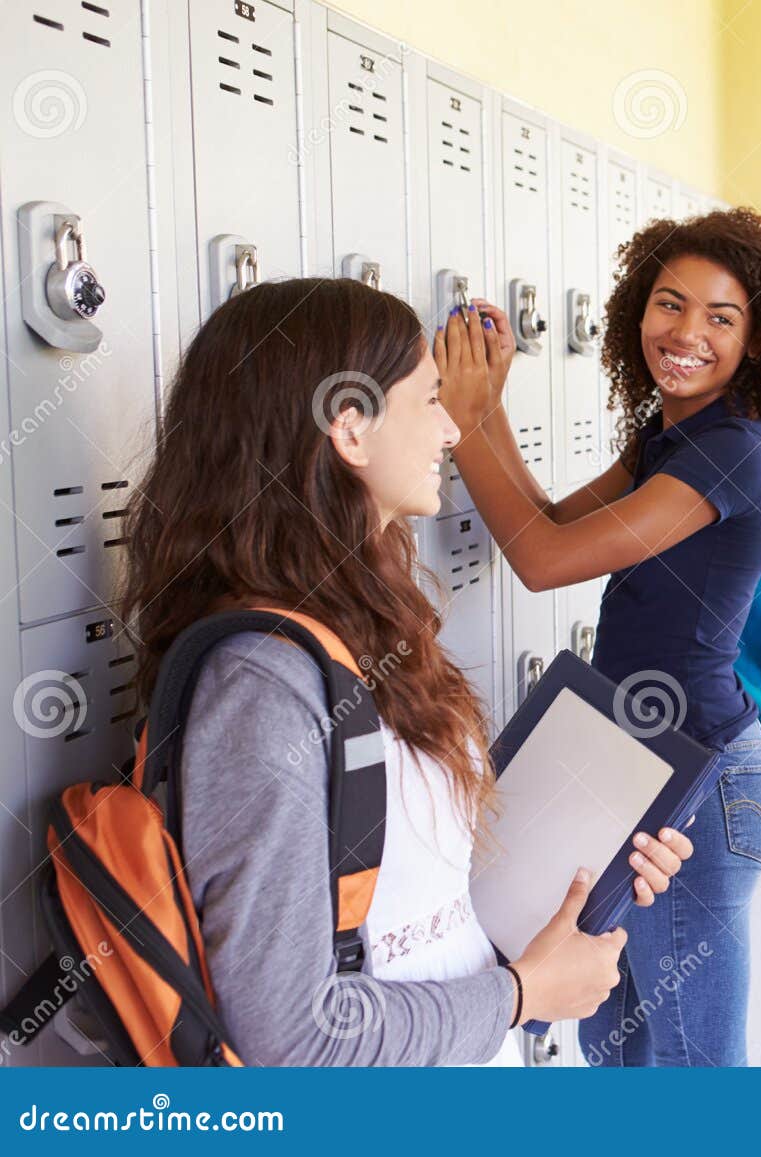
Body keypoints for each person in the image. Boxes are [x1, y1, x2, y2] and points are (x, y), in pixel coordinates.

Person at [120, 278, 692, 1065]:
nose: (454, 427)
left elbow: (420, 897)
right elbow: (291, 1042)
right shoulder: (262, 686)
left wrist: (590, 867)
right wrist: (523, 993)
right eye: (430, 398)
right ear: (349, 429)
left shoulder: (356, 629)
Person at [434, 208, 761, 1065]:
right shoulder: (677, 437)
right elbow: (550, 519)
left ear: (759, 340)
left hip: (698, 789)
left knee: (692, 1066)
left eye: (720, 317)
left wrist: (467, 414)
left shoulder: (733, 450)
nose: (686, 332)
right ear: (637, 310)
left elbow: (544, 560)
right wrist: (487, 412)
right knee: (613, 1043)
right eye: (670, 304)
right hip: (638, 770)